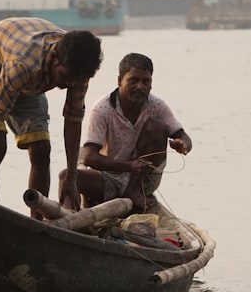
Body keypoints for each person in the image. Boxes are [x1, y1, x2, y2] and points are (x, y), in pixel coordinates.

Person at [0, 17, 103, 214]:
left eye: (75, 80)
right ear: (55, 58)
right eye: (66, 76)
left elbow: (73, 120)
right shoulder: (23, 66)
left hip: (28, 81)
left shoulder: (78, 71)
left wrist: (72, 175)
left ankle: (37, 220)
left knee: (41, 149)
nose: (70, 84)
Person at [69, 52, 192, 211]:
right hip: (109, 178)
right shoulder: (102, 109)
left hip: (141, 182)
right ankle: (71, 218)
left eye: (145, 82)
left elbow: (183, 136)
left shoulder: (157, 106)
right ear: (120, 81)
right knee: (68, 177)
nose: (140, 87)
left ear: (151, 84)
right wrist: (129, 166)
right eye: (133, 80)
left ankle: (134, 192)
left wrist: (183, 145)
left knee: (157, 127)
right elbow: (89, 157)